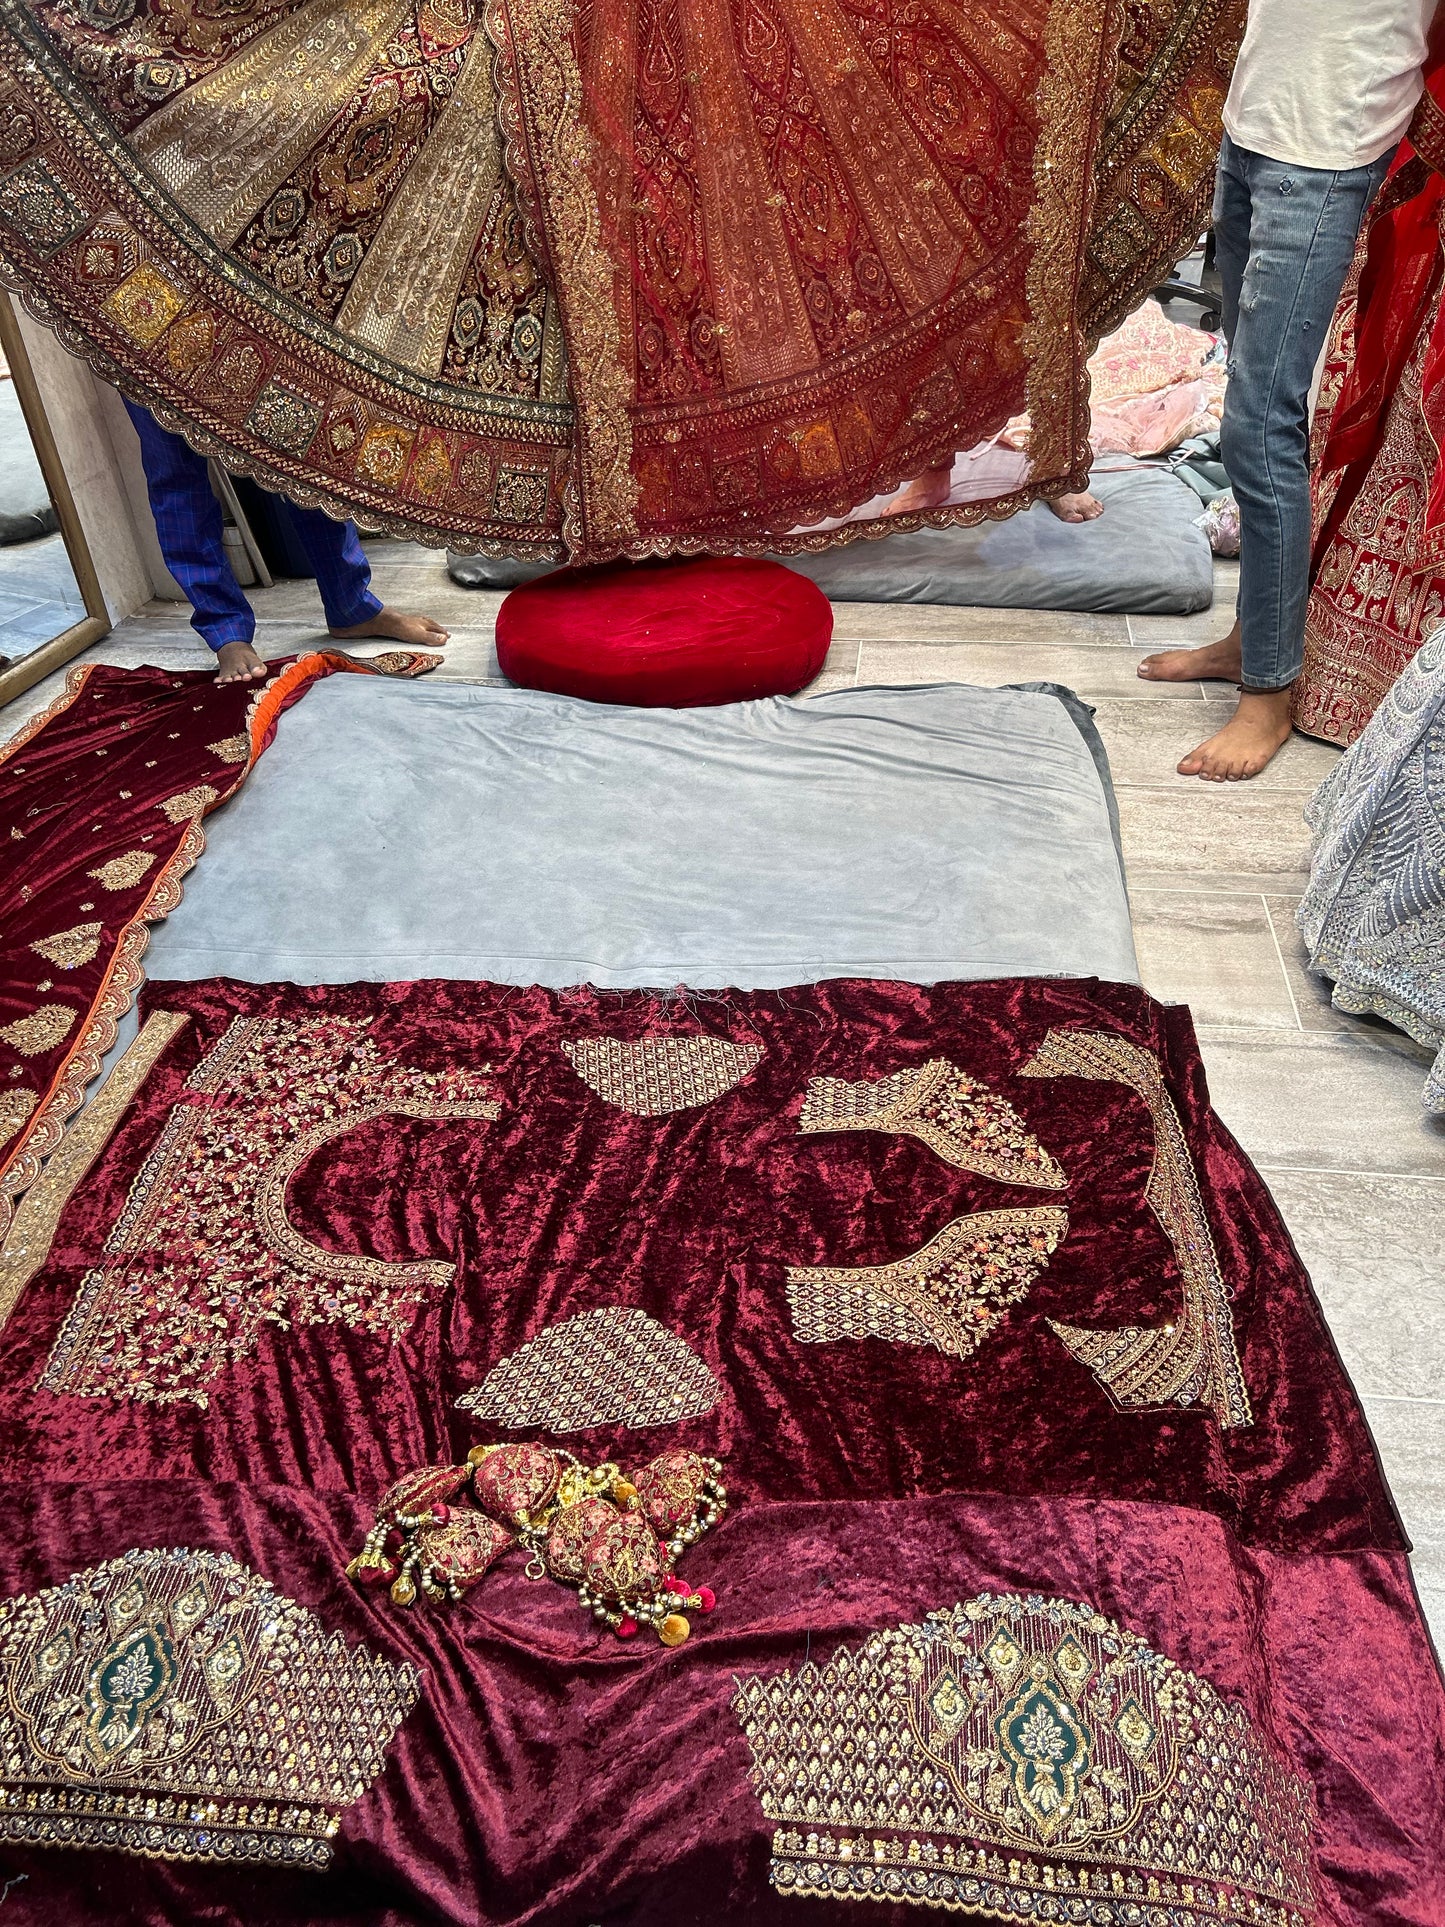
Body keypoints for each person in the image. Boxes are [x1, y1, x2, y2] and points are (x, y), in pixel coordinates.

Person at [1137, 0, 1435, 780]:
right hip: (1253, 129)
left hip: (1325, 154)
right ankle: (1249, 641)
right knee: (1247, 393)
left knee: (1257, 422)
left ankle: (1268, 694)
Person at [125, 402, 448, 685]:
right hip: (138, 335)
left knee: (306, 440)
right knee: (174, 467)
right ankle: (226, 630)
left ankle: (351, 606)